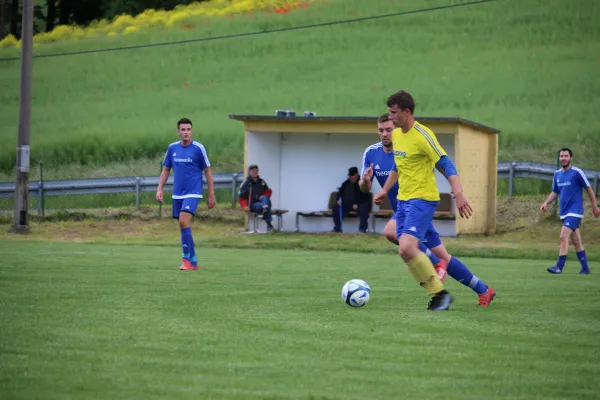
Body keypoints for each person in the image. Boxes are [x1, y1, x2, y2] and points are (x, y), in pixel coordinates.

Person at [361, 114, 496, 306]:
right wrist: (366, 182)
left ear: (397, 127)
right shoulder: (371, 153)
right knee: (444, 256)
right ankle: (483, 290)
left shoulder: (411, 143)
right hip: (407, 211)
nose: (385, 134)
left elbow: (442, 162)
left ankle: (434, 264)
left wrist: (457, 191)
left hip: (419, 207)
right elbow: (364, 187)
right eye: (381, 130)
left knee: (392, 233)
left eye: (389, 130)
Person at [374, 90, 473, 311]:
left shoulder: (422, 135)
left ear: (406, 112)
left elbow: (446, 163)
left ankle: (441, 290)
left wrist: (458, 193)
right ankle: (438, 294)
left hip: (422, 200)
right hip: (403, 202)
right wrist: (385, 190)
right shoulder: (398, 135)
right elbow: (398, 167)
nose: (390, 118)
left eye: (393, 113)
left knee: (408, 247)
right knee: (404, 250)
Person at [156, 118, 216, 271]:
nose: (186, 133)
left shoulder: (198, 148)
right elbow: (165, 169)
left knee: (183, 220)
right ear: (178, 132)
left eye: (188, 129)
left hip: (193, 192)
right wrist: (160, 188)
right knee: (183, 225)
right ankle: (194, 261)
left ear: (192, 131)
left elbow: (208, 171)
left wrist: (211, 194)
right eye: (183, 130)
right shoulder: (172, 148)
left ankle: (186, 260)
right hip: (177, 194)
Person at [541, 148, 600, 274]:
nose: (563, 158)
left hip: (575, 212)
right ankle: (585, 268)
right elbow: (555, 192)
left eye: (566, 156)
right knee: (576, 241)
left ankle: (559, 267)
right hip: (564, 212)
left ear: (571, 158)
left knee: (563, 236)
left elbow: (589, 189)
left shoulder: (577, 172)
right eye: (561, 156)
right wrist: (546, 203)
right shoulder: (557, 174)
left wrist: (595, 206)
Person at [332, 167, 371, 233]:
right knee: (335, 207)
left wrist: (357, 204)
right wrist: (338, 200)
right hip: (346, 205)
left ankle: (363, 230)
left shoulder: (362, 183)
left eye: (352, 176)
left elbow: (366, 196)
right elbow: (339, 194)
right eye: (350, 176)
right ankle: (337, 229)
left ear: (356, 175)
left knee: (364, 208)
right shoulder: (345, 184)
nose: (351, 177)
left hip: (358, 205)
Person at [238, 164, 275, 232]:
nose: (255, 172)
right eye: (253, 170)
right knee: (268, 203)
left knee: (266, 199)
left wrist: (264, 196)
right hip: (252, 204)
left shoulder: (261, 182)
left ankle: (265, 210)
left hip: (262, 202)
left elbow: (268, 191)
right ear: (249, 172)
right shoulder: (246, 183)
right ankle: (269, 224)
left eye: (256, 170)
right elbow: (241, 197)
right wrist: (244, 206)